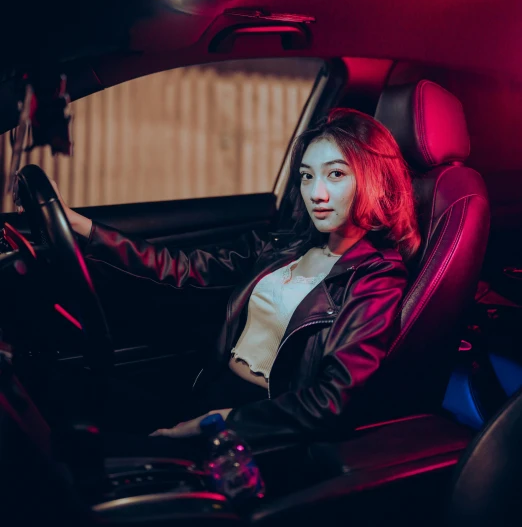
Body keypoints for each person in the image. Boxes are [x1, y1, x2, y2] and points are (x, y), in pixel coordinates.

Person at [54, 108, 420, 449]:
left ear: (371, 179)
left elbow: (328, 402)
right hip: (207, 388)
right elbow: (182, 267)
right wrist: (79, 226)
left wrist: (219, 422)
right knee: (73, 392)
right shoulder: (287, 244)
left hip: (256, 425)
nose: (316, 194)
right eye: (307, 176)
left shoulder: (376, 276)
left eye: (335, 174)